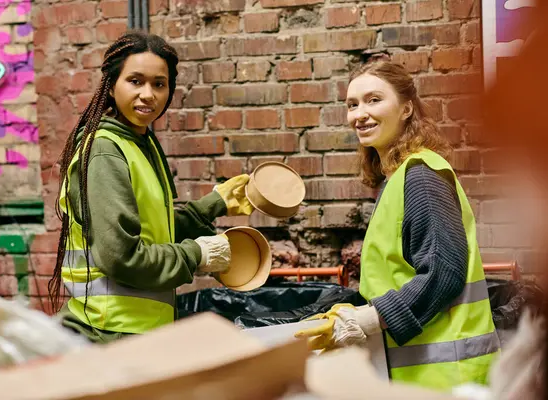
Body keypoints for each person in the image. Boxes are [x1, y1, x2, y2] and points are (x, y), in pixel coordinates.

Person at [295, 61, 500, 391]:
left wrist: (374, 317)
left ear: (406, 109)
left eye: (374, 100)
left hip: (447, 380)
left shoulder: (420, 176)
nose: (359, 114)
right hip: (424, 379)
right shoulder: (398, 178)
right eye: (352, 104)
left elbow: (444, 271)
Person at [47, 31, 253, 343]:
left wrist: (215, 203)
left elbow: (155, 231)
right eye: (135, 81)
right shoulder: (105, 150)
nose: (148, 94)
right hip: (108, 332)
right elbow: (121, 258)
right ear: (112, 85)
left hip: (137, 331)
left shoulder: (141, 142)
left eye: (159, 84)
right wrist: (197, 254)